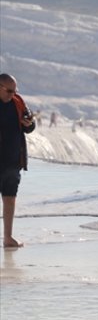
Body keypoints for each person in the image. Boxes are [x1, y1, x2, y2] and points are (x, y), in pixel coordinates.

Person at [0, 74, 36, 248]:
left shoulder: (17, 102)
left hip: (13, 160)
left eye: (15, 90)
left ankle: (8, 237)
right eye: (9, 91)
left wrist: (29, 123)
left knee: (10, 198)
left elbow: (30, 125)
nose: (13, 94)